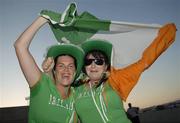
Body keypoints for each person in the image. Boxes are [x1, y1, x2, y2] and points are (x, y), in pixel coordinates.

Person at [42, 23, 176, 123]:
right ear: (84, 67)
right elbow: (55, 93)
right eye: (89, 61)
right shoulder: (75, 89)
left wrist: (164, 35)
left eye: (99, 61)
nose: (93, 65)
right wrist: (49, 72)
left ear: (106, 66)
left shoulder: (116, 79)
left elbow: (144, 61)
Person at [14, 16, 84, 123]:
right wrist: (43, 19)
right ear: (54, 70)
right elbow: (20, 46)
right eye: (61, 66)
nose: (66, 70)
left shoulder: (78, 97)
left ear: (75, 72)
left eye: (70, 66)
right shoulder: (41, 85)